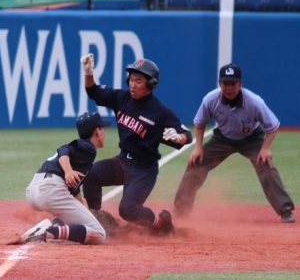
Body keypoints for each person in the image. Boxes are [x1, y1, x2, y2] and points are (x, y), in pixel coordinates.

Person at [79, 54, 193, 236]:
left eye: (138, 81)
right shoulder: (122, 98)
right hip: (122, 161)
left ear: (151, 84)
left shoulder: (160, 112)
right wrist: (88, 72)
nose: (132, 84)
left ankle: (162, 223)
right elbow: (93, 92)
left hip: (144, 169)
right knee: (91, 173)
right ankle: (96, 219)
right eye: (131, 79)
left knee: (128, 210)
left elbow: (188, 135)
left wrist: (178, 137)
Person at [173, 63, 296, 223]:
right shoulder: (211, 99)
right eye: (225, 84)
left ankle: (285, 210)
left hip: (251, 138)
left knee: (265, 166)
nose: (229, 88)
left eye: (233, 84)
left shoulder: (254, 102)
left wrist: (265, 149)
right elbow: (200, 123)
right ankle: (180, 211)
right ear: (220, 84)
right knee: (196, 163)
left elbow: (272, 126)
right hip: (222, 138)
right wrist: (198, 147)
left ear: (240, 84)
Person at [20, 111, 112, 244]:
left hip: (34, 191)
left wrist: (85, 213)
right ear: (98, 131)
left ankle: (56, 225)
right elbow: (63, 149)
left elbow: (74, 189)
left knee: (78, 222)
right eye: (103, 128)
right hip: (51, 191)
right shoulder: (88, 147)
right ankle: (47, 231)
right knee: (99, 234)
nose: (104, 132)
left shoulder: (82, 153)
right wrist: (68, 171)